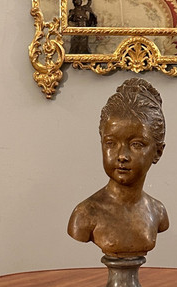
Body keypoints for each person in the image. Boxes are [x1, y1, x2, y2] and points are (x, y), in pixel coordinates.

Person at [68, 78, 169, 259]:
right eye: (111, 143)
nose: (122, 155)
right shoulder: (85, 214)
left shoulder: (158, 212)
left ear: (158, 152)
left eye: (136, 144)